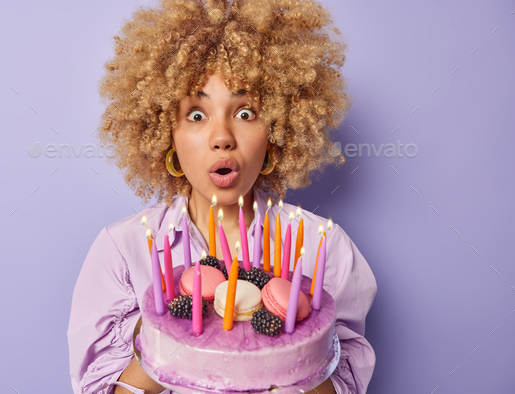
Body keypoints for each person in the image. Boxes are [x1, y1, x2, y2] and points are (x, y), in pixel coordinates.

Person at [67, 0, 377, 393]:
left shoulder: (324, 248)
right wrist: (163, 336)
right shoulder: (123, 251)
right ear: (166, 134)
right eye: (196, 114)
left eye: (245, 112)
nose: (222, 137)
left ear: (277, 132)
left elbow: (345, 382)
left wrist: (295, 341)